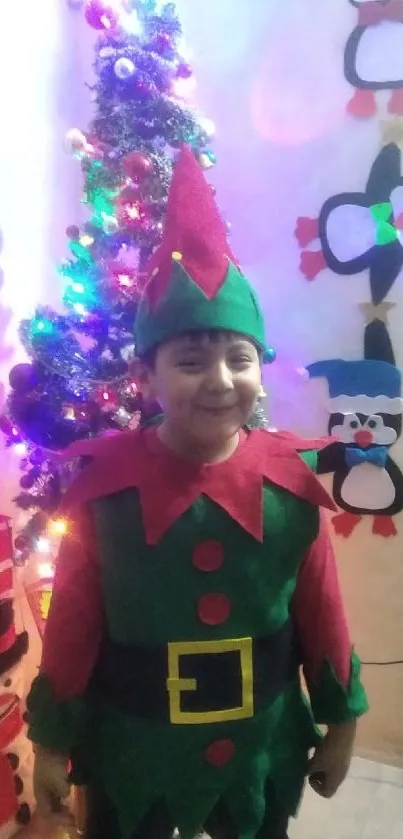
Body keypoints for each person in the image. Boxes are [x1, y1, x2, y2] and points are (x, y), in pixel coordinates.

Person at [27, 146, 368, 839]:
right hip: (134, 746)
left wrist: (342, 719)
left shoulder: (289, 486)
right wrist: (52, 740)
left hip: (257, 745)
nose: (219, 379)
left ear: (259, 369)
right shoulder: (104, 493)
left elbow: (321, 612)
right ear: (147, 377)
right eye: (189, 360)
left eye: (238, 357)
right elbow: (73, 627)